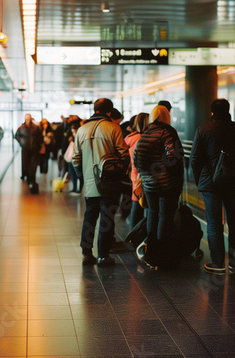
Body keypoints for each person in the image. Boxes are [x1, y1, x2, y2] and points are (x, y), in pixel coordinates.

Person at [190, 98, 235, 275]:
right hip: (232, 183)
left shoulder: (203, 130)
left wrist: (199, 179)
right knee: (234, 222)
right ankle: (234, 263)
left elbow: (195, 159)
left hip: (210, 184)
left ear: (212, 112)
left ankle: (218, 264)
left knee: (214, 224)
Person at [72, 98, 129, 266]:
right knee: (107, 217)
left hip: (90, 182)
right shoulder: (113, 128)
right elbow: (124, 154)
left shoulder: (81, 130)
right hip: (110, 181)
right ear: (109, 111)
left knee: (90, 216)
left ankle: (87, 254)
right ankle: (103, 255)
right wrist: (118, 172)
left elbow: (76, 159)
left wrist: (83, 177)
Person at [134, 105, 184, 269]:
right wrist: (172, 174)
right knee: (165, 216)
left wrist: (148, 175)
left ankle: (151, 253)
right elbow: (172, 155)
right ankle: (163, 254)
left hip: (149, 184)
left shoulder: (146, 133)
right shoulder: (167, 131)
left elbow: (136, 158)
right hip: (166, 183)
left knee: (152, 214)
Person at [124, 112, 150, 230]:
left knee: (137, 202)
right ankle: (137, 233)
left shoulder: (130, 138)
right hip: (143, 173)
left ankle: (133, 233)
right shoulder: (144, 138)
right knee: (142, 204)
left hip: (133, 173)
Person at [14, 114, 43, 192]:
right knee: (25, 163)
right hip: (25, 148)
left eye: (29, 118)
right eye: (26, 119)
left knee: (33, 165)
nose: (28, 120)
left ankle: (32, 178)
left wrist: (39, 146)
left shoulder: (36, 128)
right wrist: (22, 142)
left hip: (34, 149)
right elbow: (16, 136)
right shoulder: (21, 128)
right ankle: (26, 175)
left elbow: (40, 138)